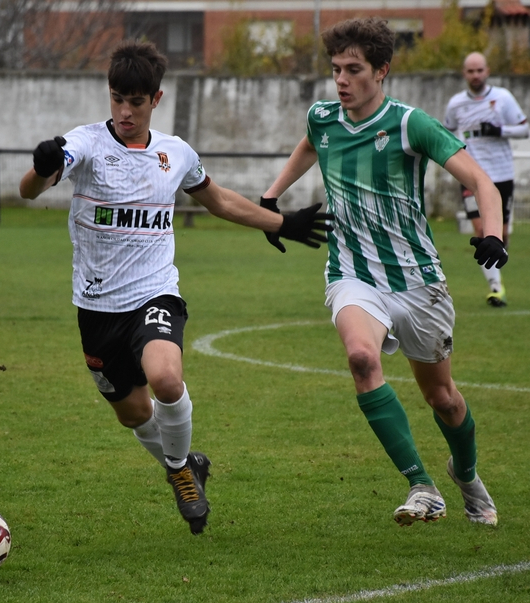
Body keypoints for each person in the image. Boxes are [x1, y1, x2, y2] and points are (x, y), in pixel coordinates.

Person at [19, 40, 332, 535]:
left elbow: (220, 201)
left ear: (156, 100)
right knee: (135, 414)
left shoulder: (175, 153)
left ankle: (180, 472)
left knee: (166, 379)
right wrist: (41, 167)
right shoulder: (85, 144)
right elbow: (30, 190)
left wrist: (279, 222)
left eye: (136, 101)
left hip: (154, 293)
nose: (124, 111)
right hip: (96, 308)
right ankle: (183, 467)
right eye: (117, 98)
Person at [261, 18, 506, 527]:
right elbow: (311, 143)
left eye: (354, 70)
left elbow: (483, 181)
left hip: (418, 280)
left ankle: (467, 474)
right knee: (360, 358)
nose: (342, 81)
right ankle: (422, 485)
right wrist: (272, 194)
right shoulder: (324, 117)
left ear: (382, 71)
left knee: (443, 398)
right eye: (336, 70)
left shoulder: (409, 124)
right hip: (352, 272)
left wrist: (493, 235)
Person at [443, 51, 529, 307]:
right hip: (471, 176)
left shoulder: (502, 98)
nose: (475, 75)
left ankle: (496, 273)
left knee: (500, 234)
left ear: (487, 71)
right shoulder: (455, 104)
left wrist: (500, 130)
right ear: (464, 74)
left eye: (479, 70)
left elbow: (525, 128)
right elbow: (445, 135)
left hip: (502, 175)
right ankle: (495, 287)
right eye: (470, 71)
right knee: (482, 231)